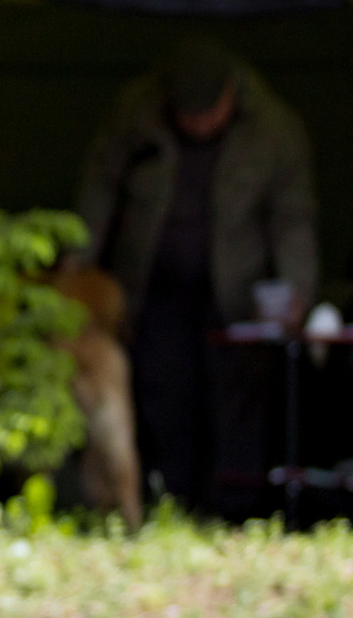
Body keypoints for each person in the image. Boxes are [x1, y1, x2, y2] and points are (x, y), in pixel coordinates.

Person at [74, 38, 318, 516]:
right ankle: (168, 501)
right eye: (188, 116)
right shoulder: (136, 113)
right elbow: (100, 186)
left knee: (236, 405)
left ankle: (234, 511)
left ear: (231, 95)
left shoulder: (274, 128)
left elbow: (293, 218)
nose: (199, 125)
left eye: (208, 114)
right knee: (160, 397)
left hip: (236, 293)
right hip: (153, 289)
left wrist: (296, 290)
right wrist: (78, 257)